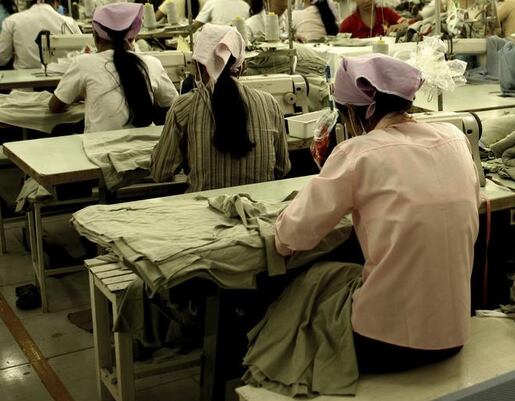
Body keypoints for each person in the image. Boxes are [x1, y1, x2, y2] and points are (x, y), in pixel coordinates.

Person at [274, 54, 480, 373]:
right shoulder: (455, 137)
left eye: (344, 117)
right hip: (454, 334)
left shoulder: (358, 153)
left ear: (357, 112)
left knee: (308, 290)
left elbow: (292, 236)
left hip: (386, 344)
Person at [150, 24, 290, 192]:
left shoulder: (183, 107)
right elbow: (282, 169)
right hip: (258, 210)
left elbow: (160, 173)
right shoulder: (269, 104)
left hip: (204, 214)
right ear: (242, 66)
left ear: (196, 66)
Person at [48, 3, 178, 133]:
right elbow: (175, 105)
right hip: (147, 147)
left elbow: (54, 106)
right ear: (132, 37)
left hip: (99, 149)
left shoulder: (83, 63)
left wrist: (80, 95)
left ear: (96, 36)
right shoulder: (152, 63)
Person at [0, 0, 79, 69]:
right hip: (61, 83)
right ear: (57, 2)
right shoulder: (69, 22)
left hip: (24, 83)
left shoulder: (12, 21)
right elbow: (85, 52)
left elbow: (2, 58)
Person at [339, 0, 404, 38]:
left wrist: (401, 25)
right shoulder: (347, 24)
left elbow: (405, 23)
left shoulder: (386, 12)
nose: (367, 1)